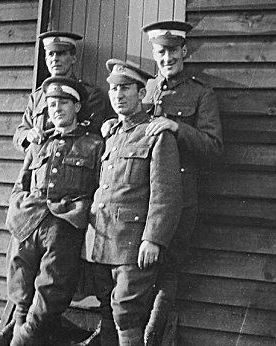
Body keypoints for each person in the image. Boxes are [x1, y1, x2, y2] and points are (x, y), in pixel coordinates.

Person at [82, 59, 182, 346]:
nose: (118, 95)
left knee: (126, 313)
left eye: (125, 88)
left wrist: (154, 239)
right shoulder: (112, 134)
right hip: (101, 241)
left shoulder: (156, 135)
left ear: (141, 93)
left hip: (132, 244)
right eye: (113, 89)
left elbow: (166, 194)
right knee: (107, 308)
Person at [140, 20, 223, 345]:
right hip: (141, 195)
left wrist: (176, 128)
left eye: (173, 50)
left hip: (180, 197)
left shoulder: (201, 94)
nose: (167, 58)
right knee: (130, 266)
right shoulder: (145, 89)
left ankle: (151, 335)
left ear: (184, 50)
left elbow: (214, 149)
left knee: (167, 270)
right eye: (161, 52)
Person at [4, 77, 104, 345]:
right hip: (30, 218)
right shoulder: (39, 143)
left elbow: (99, 188)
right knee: (19, 275)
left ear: (77, 106)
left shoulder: (94, 144)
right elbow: (21, 182)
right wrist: (17, 210)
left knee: (52, 286)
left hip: (63, 221)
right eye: (50, 104)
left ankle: (25, 337)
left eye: (63, 103)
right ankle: (18, 327)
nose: (56, 109)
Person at [13, 31, 111, 153]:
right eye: (50, 54)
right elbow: (20, 133)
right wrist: (29, 135)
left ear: (73, 58)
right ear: (46, 59)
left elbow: (93, 132)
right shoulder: (37, 97)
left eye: (61, 54)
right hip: (39, 163)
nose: (55, 59)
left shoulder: (90, 94)